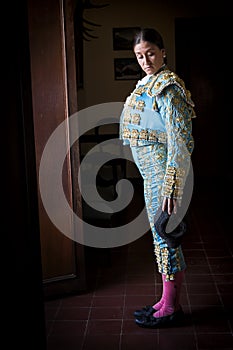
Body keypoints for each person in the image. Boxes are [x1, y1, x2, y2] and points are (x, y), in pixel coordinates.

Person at [119, 28, 196, 328]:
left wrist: (173, 185)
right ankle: (165, 300)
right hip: (150, 174)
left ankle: (172, 307)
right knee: (160, 237)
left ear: (162, 51)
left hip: (163, 175)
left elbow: (181, 140)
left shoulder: (169, 86)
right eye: (139, 56)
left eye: (150, 53)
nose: (145, 60)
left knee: (167, 237)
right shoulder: (145, 85)